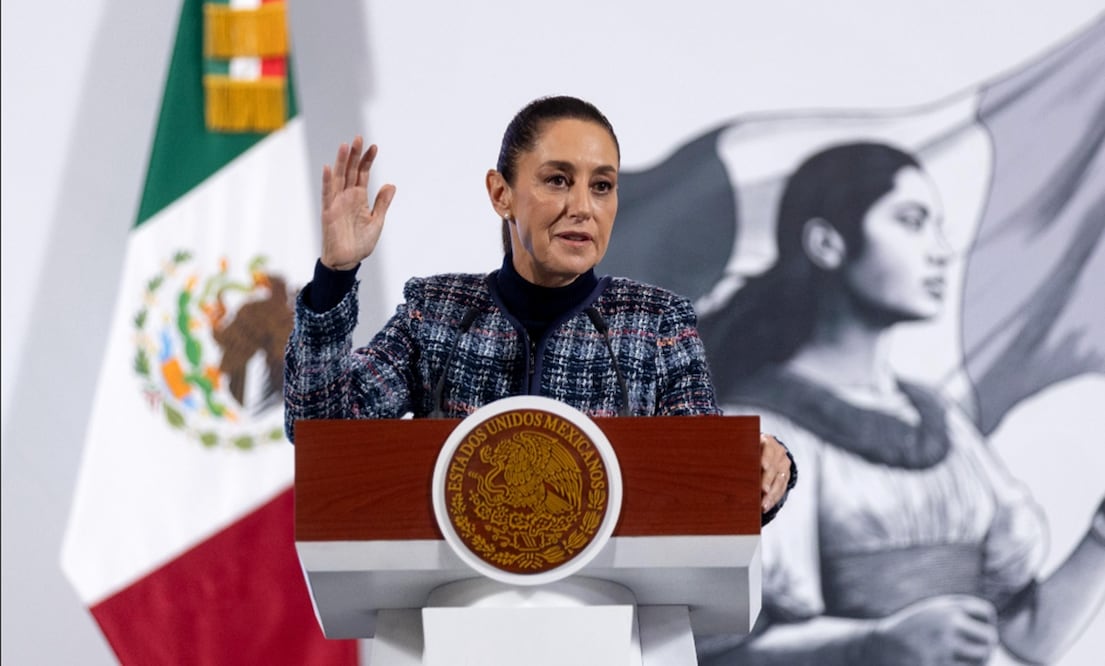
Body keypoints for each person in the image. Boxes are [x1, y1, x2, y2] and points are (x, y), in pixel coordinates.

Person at [283, 95, 795, 521]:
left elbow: (709, 483)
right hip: (460, 622)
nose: (583, 207)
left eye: (602, 186)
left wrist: (764, 466)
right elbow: (320, 431)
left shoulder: (655, 324)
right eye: (557, 180)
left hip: (610, 627)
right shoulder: (436, 314)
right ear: (501, 193)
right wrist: (335, 276)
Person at [695, 142, 1105, 664]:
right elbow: (718, 650)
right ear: (827, 243)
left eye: (937, 225)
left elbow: (1027, 635)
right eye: (911, 222)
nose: (939, 250)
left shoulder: (945, 425)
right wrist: (874, 643)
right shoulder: (755, 430)